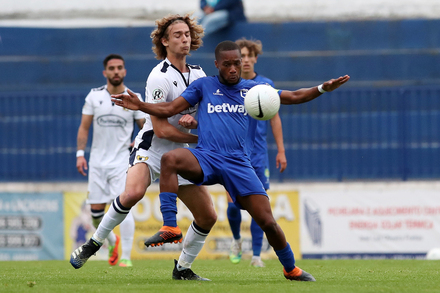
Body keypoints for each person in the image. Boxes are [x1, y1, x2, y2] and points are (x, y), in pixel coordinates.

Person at [111, 40, 350, 281]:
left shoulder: (253, 90)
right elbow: (170, 108)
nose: (234, 68)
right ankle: (170, 226)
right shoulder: (204, 86)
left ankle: (291, 269)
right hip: (206, 156)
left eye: (236, 63)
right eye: (227, 64)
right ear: (217, 65)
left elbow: (294, 96)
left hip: (238, 164)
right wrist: (141, 105)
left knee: (267, 221)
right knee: (171, 159)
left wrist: (321, 88)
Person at [70, 14, 217, 281]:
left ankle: (182, 269)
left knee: (207, 216)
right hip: (154, 148)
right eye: (177, 35)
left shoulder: (199, 74)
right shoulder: (158, 76)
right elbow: (160, 129)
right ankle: (94, 243)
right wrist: (201, 139)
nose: (184, 39)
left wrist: (195, 121)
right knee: (133, 193)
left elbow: (205, 116)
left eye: (187, 34)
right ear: (165, 41)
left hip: (181, 154)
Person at [75, 54, 145, 267]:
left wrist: (138, 141)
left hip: (122, 163)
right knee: (96, 213)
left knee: (124, 206)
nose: (116, 71)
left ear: (124, 71)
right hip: (97, 162)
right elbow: (84, 127)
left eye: (120, 68)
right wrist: (80, 154)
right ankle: (112, 241)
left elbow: (146, 127)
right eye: (112, 68)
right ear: (105, 72)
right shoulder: (94, 96)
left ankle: (126, 257)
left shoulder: (133, 97)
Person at [227, 38, 287, 268]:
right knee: (233, 205)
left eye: (251, 55)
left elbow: (275, 119)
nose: (247, 60)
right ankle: (236, 239)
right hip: (233, 153)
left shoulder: (265, 85)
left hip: (258, 155)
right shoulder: (230, 85)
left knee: (258, 207)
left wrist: (281, 150)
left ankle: (256, 256)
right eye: (242, 56)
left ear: (255, 58)